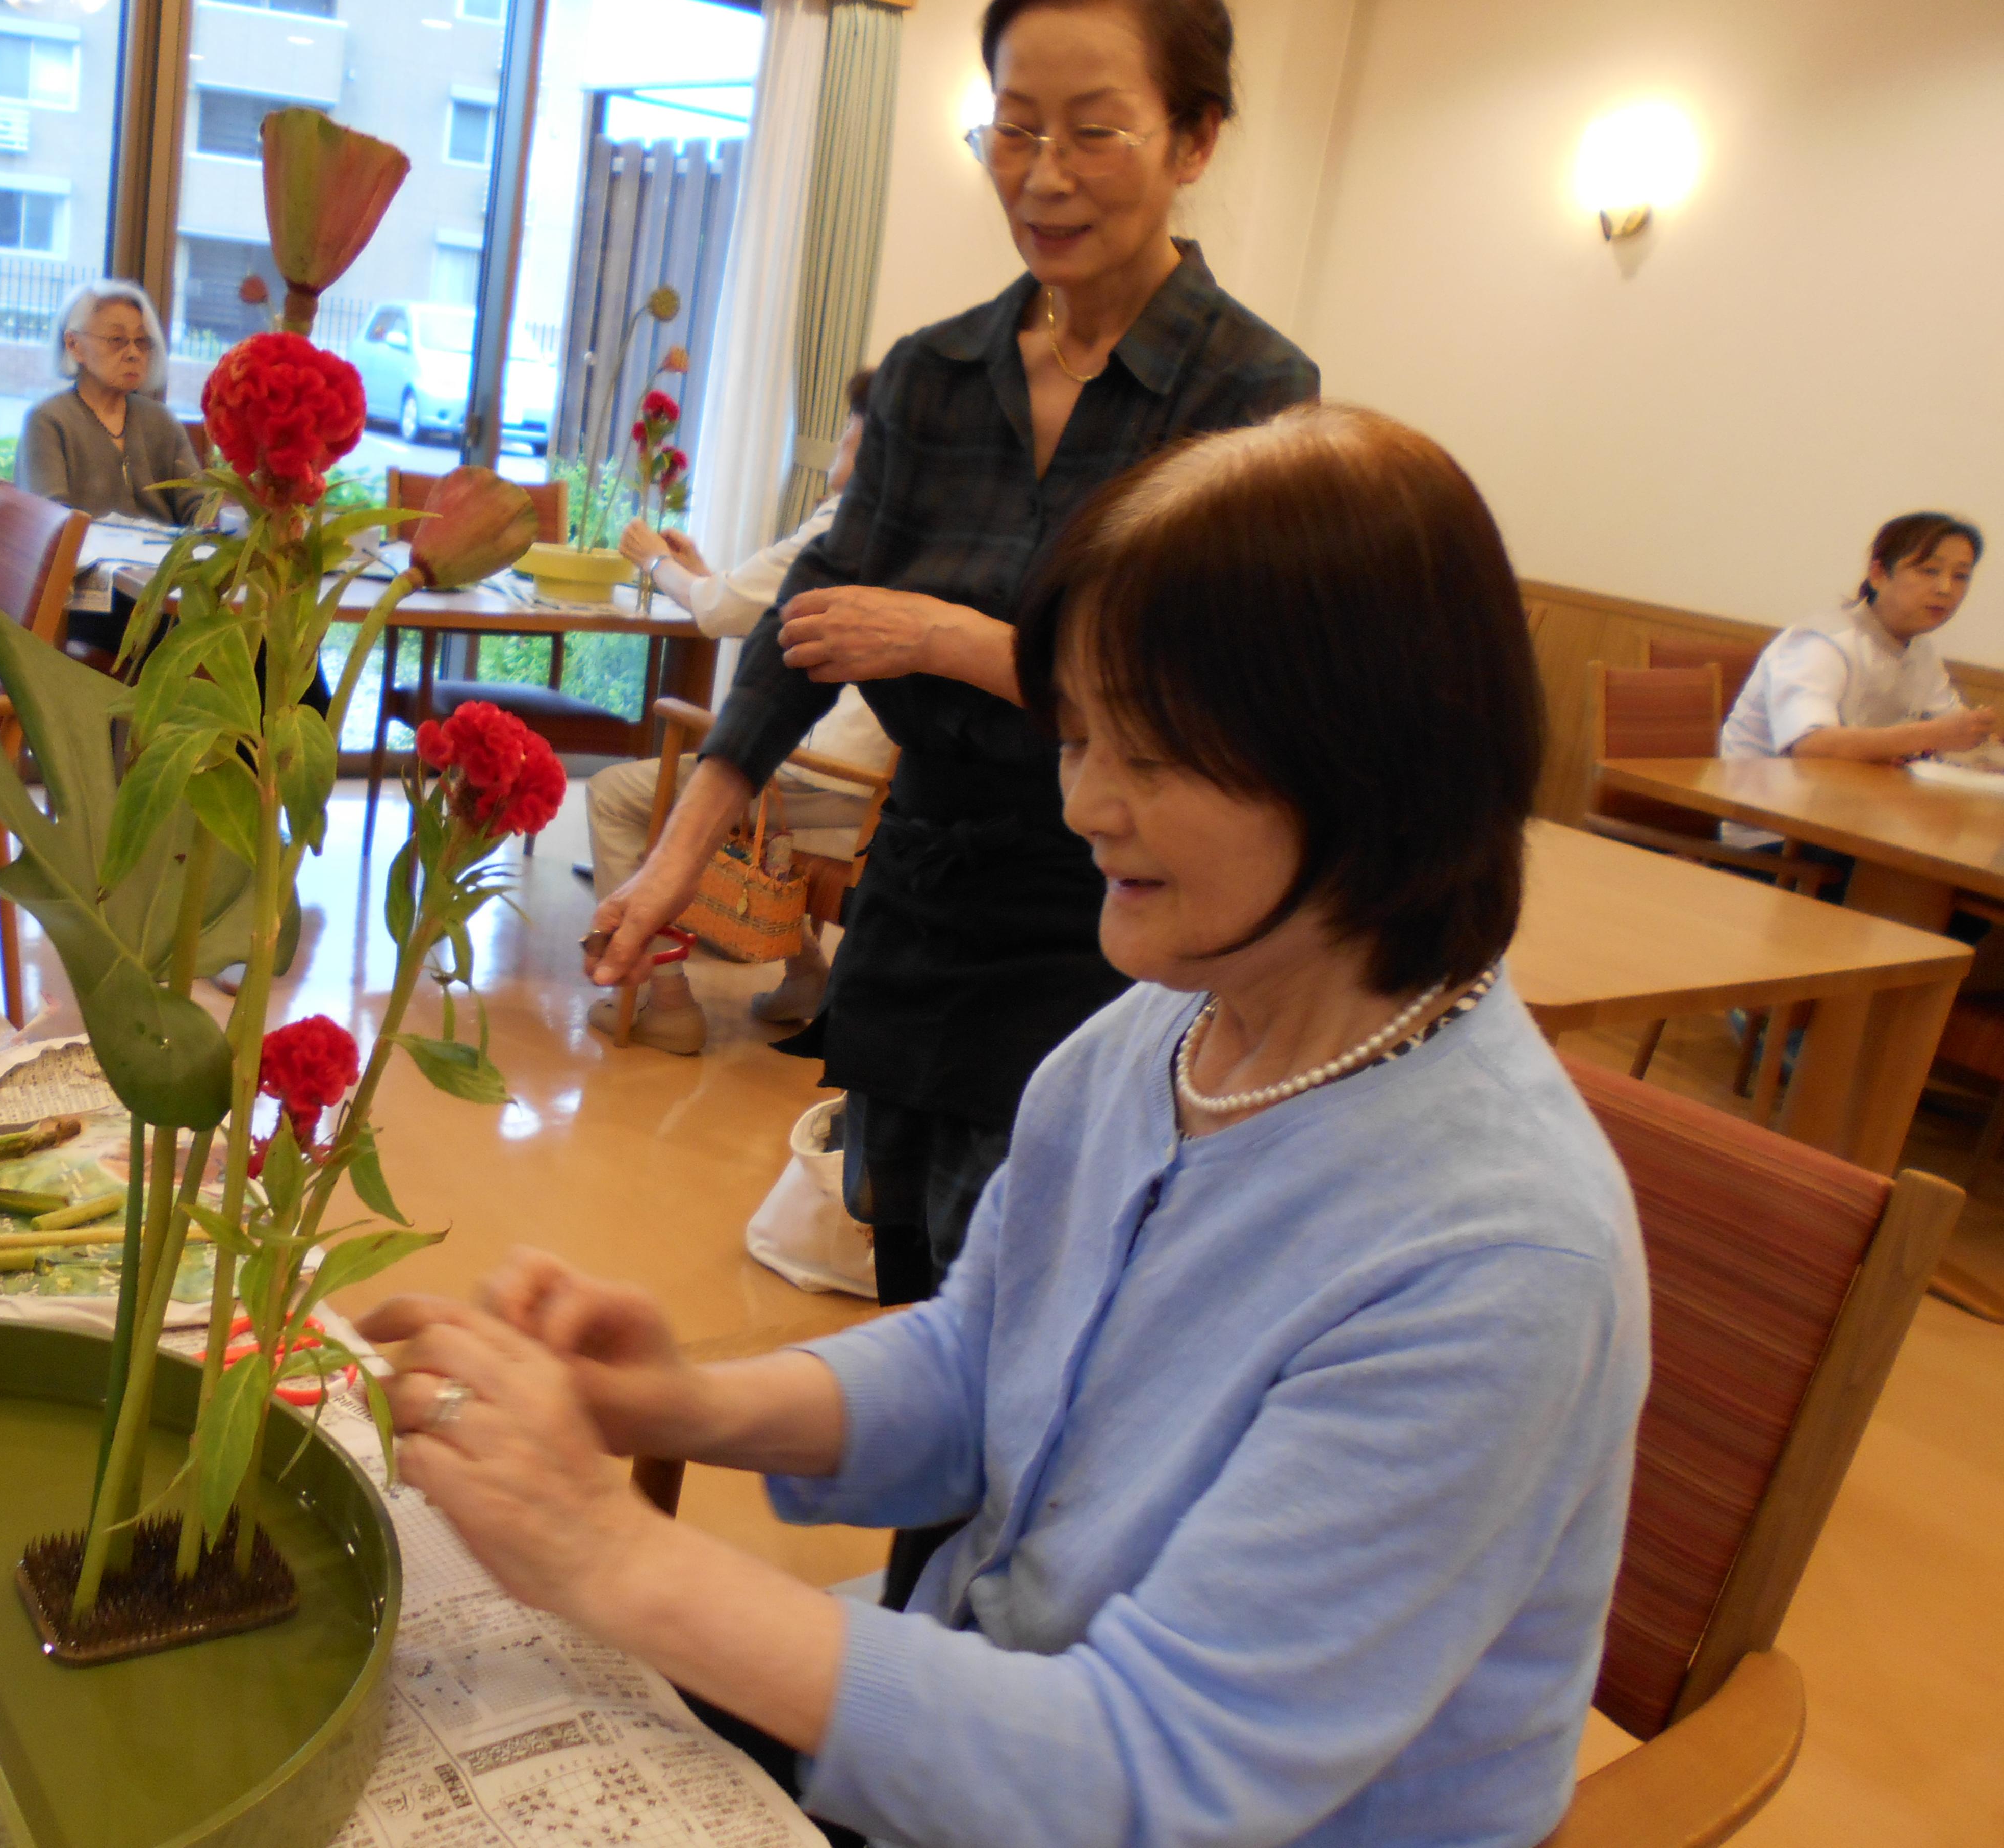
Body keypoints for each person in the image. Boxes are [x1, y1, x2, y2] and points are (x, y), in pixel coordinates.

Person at [363, 404, 1647, 1848]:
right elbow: (985, 1356)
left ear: (1376, 768)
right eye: (1078, 736)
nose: (1085, 804)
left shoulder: (1494, 1262)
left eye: (1152, 757)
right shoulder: (1162, 1031)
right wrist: (682, 1405)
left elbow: (1152, 1777)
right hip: (1011, 1706)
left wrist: (608, 1557)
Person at [582, 0, 1318, 1313]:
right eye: (1014, 128)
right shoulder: (933, 374)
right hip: (925, 894)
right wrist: (677, 856)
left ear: (1195, 139)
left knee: (1058, 1319)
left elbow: (1205, 693)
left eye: (1094, 132)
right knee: (914, 1286)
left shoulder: (1252, 394)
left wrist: (940, 640)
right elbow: (808, 618)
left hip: (1118, 914)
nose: (1043, 175)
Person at [589, 369, 898, 1054]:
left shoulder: (847, 523)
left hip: (828, 775)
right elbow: (756, 608)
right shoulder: (920, 531)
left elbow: (720, 612)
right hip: (876, 784)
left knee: (618, 796)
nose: (837, 449)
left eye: (847, 433)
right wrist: (704, 575)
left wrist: (653, 563)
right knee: (726, 797)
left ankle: (663, 998)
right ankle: (807, 975)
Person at [1720, 511, 1990, 770]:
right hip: (1762, 795)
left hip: (1854, 794)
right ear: (1878, 575)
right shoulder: (1821, 642)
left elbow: (1955, 732)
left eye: (1961, 576)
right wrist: (1930, 735)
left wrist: (1973, 735)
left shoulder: (1920, 650)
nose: (1946, 588)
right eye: (1929, 571)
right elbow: (1810, 745)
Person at [14, 280, 202, 525]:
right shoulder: (48, 421)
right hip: (82, 550)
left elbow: (199, 506)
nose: (134, 353)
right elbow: (50, 520)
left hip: (165, 550)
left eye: (142, 341)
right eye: (117, 339)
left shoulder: (161, 421)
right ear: (74, 345)